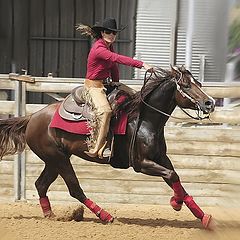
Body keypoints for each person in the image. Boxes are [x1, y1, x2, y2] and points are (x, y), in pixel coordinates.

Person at [77, 17, 153, 159]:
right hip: (93, 86)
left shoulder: (108, 46)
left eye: (114, 33)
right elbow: (116, 59)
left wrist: (116, 82)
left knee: (136, 96)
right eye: (108, 32)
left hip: (106, 83)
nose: (111, 35)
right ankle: (97, 148)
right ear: (102, 33)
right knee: (105, 111)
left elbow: (113, 66)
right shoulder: (99, 48)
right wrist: (142, 64)